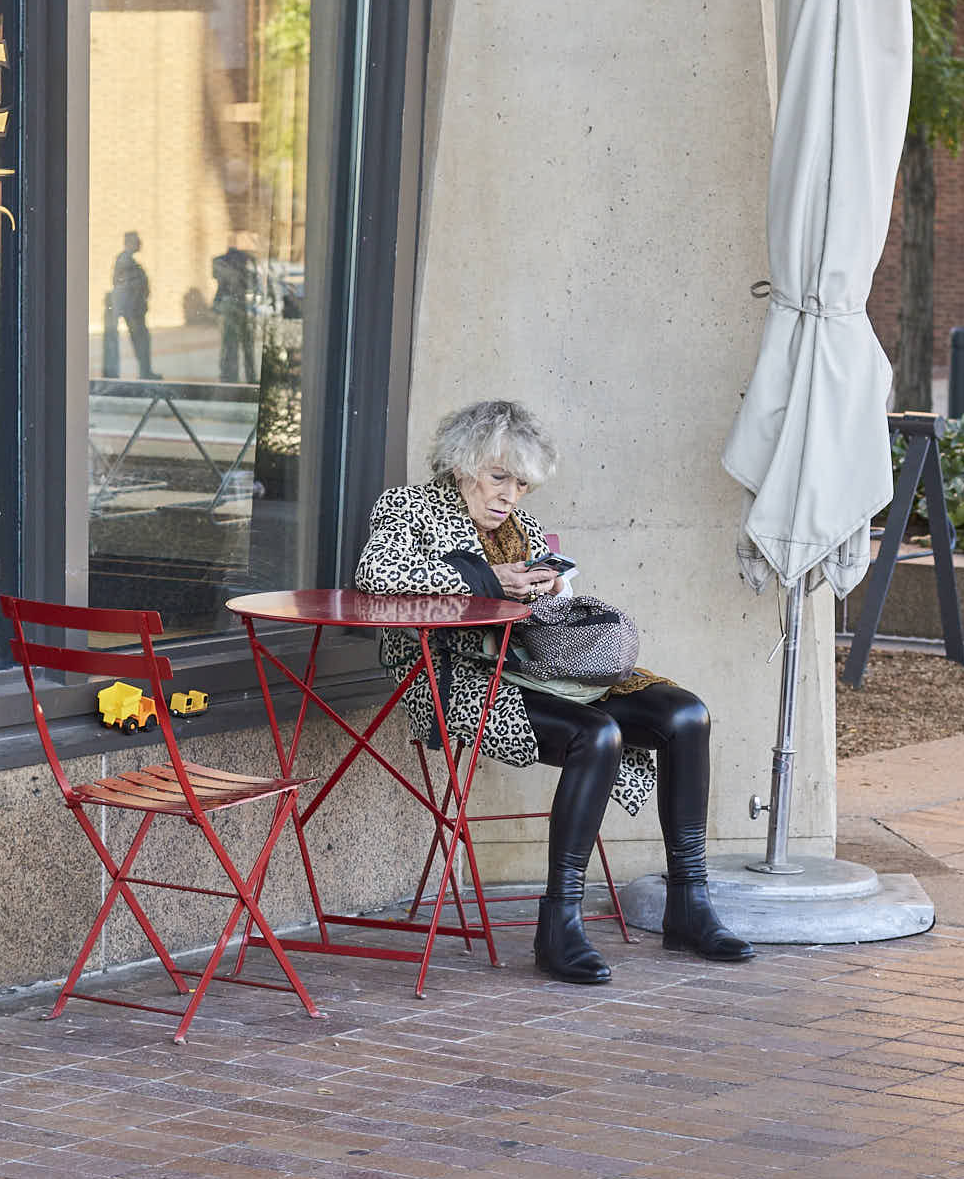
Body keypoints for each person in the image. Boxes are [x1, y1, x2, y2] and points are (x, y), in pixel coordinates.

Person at [353, 400, 754, 984]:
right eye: (498, 478)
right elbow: (377, 575)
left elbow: (546, 619)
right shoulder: (408, 506)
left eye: (520, 484)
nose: (509, 496)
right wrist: (489, 581)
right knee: (597, 735)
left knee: (686, 714)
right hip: (447, 680)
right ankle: (558, 925)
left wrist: (555, 591)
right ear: (464, 466)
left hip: (536, 667)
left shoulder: (525, 529)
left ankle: (689, 905)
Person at [110, 231, 158, 379]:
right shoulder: (126, 261)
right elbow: (129, 286)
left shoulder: (128, 260)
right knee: (141, 340)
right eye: (137, 241)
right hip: (133, 310)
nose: (140, 243)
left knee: (142, 340)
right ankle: (145, 373)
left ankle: (146, 372)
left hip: (134, 309)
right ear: (129, 243)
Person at [211, 235, 257, 384]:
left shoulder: (220, 262)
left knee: (231, 343)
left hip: (232, 305)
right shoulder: (247, 261)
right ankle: (244, 377)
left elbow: (220, 284)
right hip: (239, 305)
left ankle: (230, 376)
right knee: (244, 344)